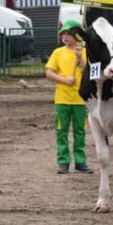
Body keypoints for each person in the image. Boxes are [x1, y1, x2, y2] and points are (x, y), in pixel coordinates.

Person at [44, 20, 93, 174]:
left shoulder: (85, 52)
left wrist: (81, 60)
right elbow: (49, 73)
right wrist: (65, 80)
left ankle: (80, 162)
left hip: (80, 99)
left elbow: (91, 71)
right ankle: (63, 161)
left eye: (69, 34)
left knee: (80, 131)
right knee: (61, 130)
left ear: (77, 36)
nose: (65, 37)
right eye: (63, 34)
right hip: (62, 98)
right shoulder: (58, 53)